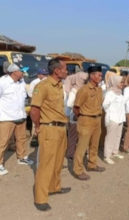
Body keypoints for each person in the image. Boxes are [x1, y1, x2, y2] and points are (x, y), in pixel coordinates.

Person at [30, 58, 70, 211]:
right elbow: (34, 110)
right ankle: (40, 198)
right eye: (65, 68)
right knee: (46, 164)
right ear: (57, 70)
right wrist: (38, 127)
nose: (67, 71)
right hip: (49, 128)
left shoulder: (59, 85)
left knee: (58, 161)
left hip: (60, 128)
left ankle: (54, 187)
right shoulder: (43, 86)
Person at [0, 64, 34, 176]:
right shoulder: (2, 82)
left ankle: (22, 157)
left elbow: (28, 95)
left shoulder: (21, 82)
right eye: (22, 71)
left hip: (20, 116)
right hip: (7, 117)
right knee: (3, 142)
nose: (23, 73)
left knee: (21, 139)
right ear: (14, 72)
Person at [73, 66, 105, 181]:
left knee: (94, 144)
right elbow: (76, 107)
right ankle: (78, 170)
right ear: (91, 75)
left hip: (97, 119)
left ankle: (92, 164)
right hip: (86, 120)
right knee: (82, 146)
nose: (101, 77)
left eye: (101, 75)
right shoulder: (84, 90)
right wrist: (81, 118)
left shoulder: (99, 89)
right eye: (99, 75)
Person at [64, 72, 88, 160]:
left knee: (82, 136)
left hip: (83, 117)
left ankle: (81, 151)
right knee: (73, 136)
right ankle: (70, 153)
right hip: (74, 117)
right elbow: (69, 105)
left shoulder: (84, 90)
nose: (85, 81)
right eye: (83, 80)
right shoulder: (73, 91)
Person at [103, 75, 125, 164]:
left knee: (118, 136)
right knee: (110, 137)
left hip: (120, 118)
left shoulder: (120, 93)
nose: (122, 84)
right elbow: (105, 105)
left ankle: (114, 152)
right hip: (112, 118)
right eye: (121, 82)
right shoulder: (110, 93)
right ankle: (107, 156)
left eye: (123, 82)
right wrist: (110, 113)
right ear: (115, 82)